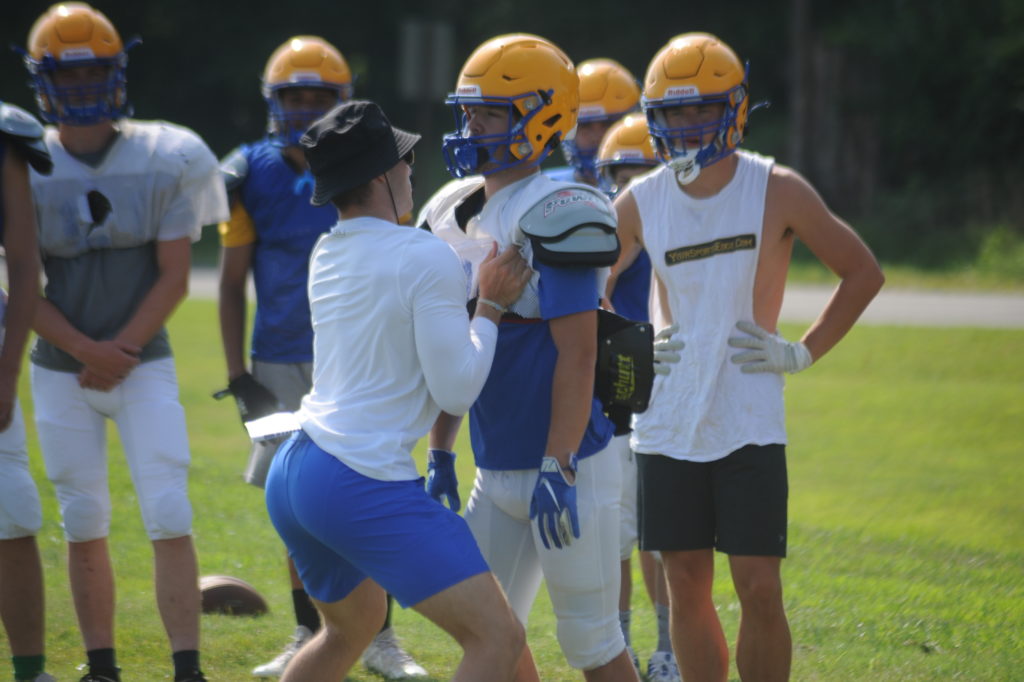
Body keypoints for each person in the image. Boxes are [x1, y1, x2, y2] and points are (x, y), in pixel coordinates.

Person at [605, 33, 884, 682]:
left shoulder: (775, 188)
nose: (686, 123)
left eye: (701, 107)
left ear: (734, 107)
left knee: (759, 586)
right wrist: (628, 346)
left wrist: (802, 352)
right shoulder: (642, 198)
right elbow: (585, 284)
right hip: (667, 421)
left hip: (749, 417)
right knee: (684, 583)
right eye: (672, 111)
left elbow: (862, 272)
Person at [263, 99, 529, 682]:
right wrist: (489, 305)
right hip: (356, 479)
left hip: (294, 472)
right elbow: (456, 391)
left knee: (351, 627)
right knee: (499, 638)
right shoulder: (423, 255)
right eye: (403, 159)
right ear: (382, 175)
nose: (411, 169)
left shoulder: (327, 248)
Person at [419, 34, 640, 682]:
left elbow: (579, 353)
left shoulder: (560, 208)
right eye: (469, 112)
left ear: (542, 119)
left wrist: (559, 463)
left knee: (593, 643)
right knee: (489, 633)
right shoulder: (452, 208)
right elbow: (459, 343)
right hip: (495, 463)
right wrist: (440, 448)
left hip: (569, 466)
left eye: (489, 113)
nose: (471, 127)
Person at [21, 4, 230, 681]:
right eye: (68, 74)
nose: (82, 87)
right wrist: (89, 351)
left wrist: (120, 351)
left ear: (116, 73)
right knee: (82, 517)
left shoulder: (166, 155)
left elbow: (175, 275)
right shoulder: (22, 162)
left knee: (169, 508)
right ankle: (102, 666)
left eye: (93, 73)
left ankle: (187, 667)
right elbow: (19, 285)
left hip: (141, 363)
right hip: (63, 368)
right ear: (43, 80)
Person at [215, 35, 426, 680]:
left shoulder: (369, 165)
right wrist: (237, 373)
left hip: (360, 357)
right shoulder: (250, 173)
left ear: (342, 99)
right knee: (295, 504)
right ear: (272, 101)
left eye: (318, 96)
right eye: (295, 96)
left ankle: (382, 638)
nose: (306, 108)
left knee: (370, 490)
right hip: (280, 356)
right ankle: (308, 630)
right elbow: (231, 280)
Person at [595, 112, 680, 682]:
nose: (630, 190)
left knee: (660, 536)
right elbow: (600, 285)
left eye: (641, 176)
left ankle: (668, 646)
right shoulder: (610, 231)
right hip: (619, 388)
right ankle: (621, 643)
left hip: (668, 389)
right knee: (617, 535)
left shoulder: (677, 227)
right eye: (621, 178)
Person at [0, 100, 52, 682]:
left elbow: (22, 263)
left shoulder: (5, 139)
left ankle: (31, 670)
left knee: (11, 512)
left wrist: (8, 370)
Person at [546, 58, 640, 185]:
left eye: (608, 124)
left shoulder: (654, 183)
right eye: (585, 126)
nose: (596, 136)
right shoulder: (547, 188)